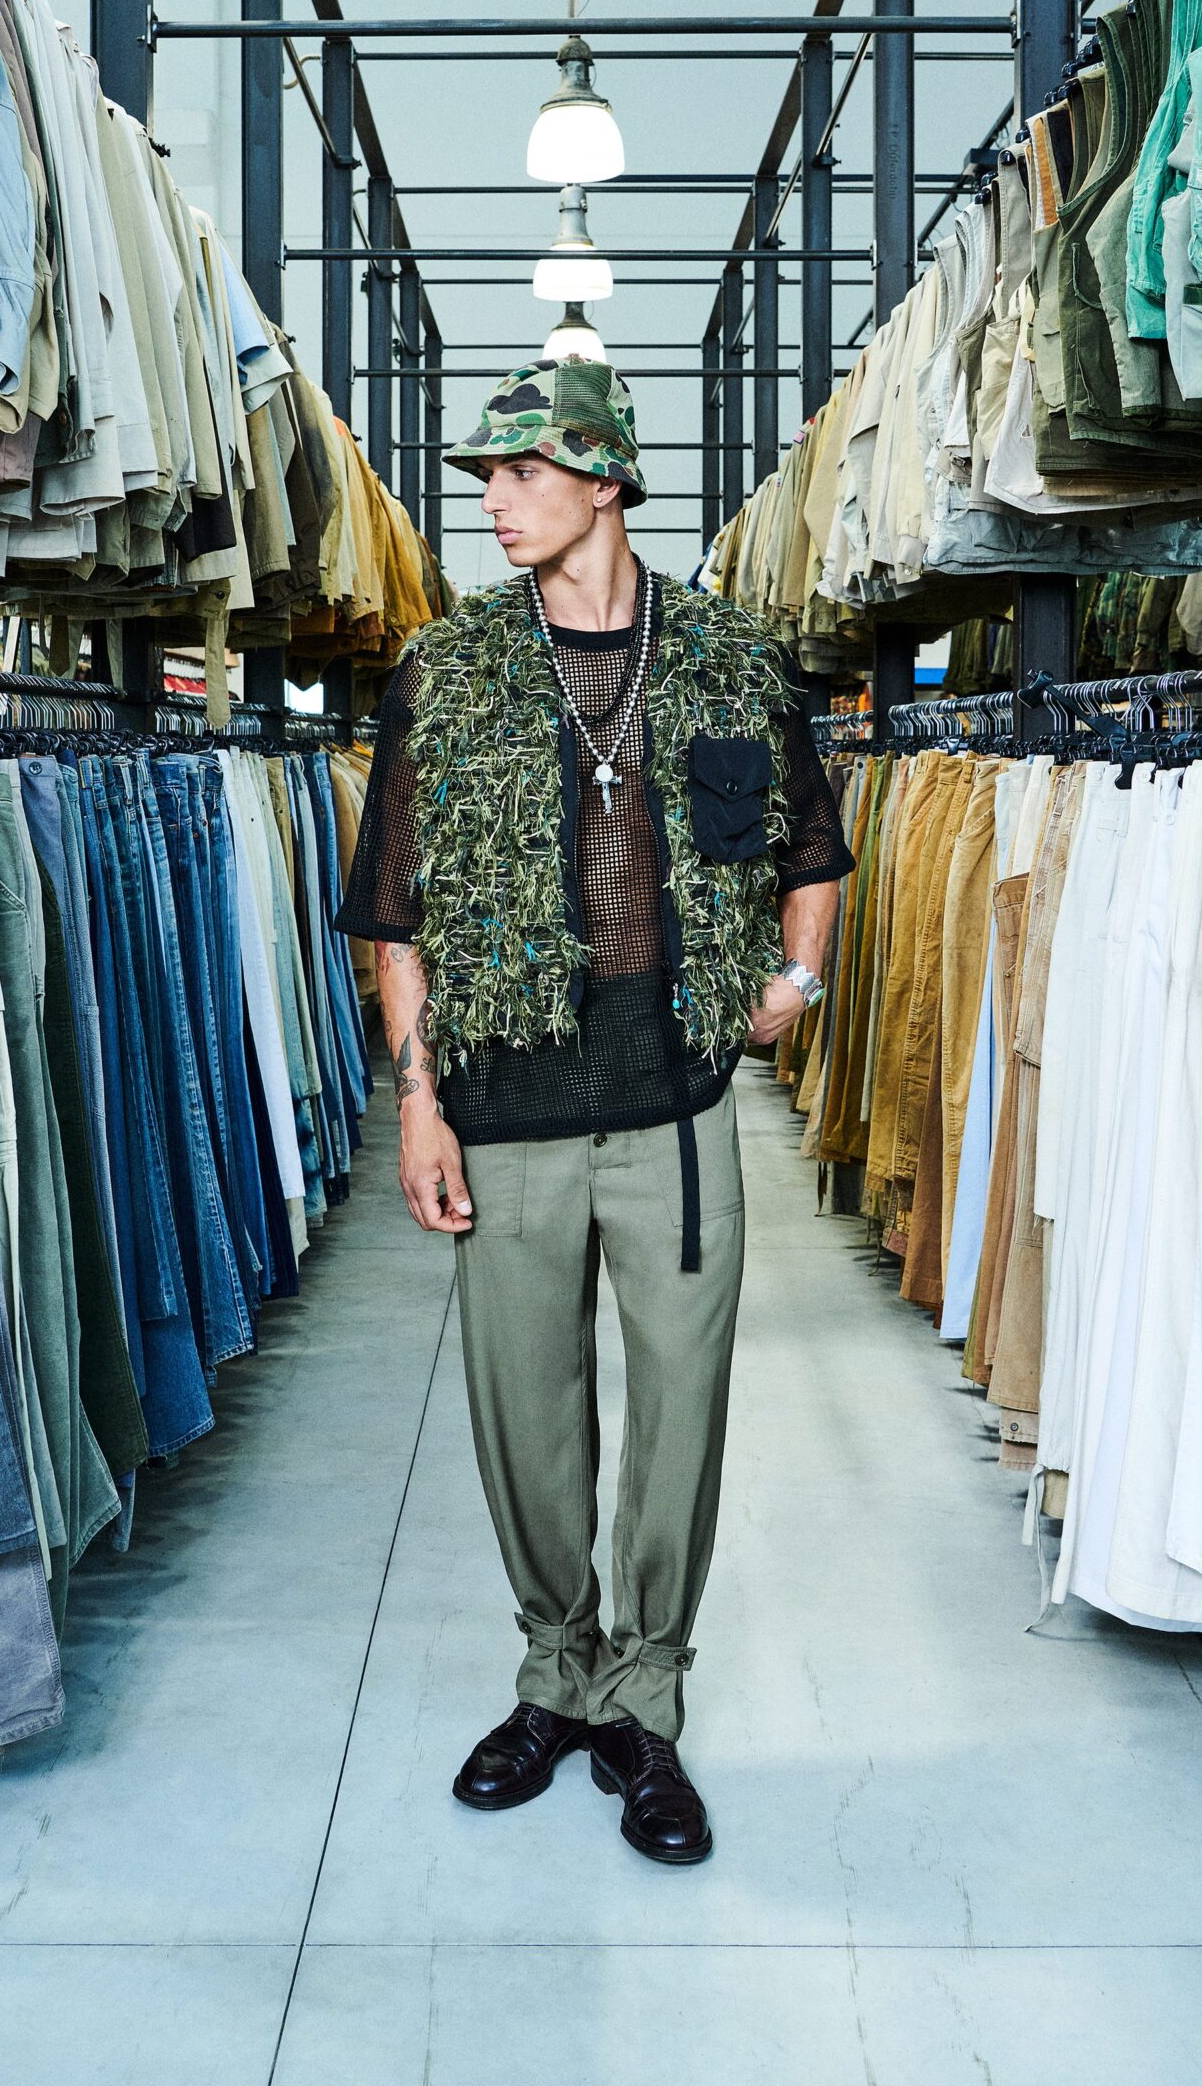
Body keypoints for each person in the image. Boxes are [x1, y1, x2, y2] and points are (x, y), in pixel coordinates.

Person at [336, 357, 853, 1865]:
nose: (492, 503)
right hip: (501, 1100)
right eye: (485, 479)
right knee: (527, 1417)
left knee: (681, 1412)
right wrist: (421, 1106)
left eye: (521, 474)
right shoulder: (447, 669)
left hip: (676, 1100)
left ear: (607, 477)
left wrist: (796, 986)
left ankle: (650, 1703)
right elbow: (397, 913)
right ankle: (556, 1675)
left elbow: (809, 850)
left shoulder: (730, 658)